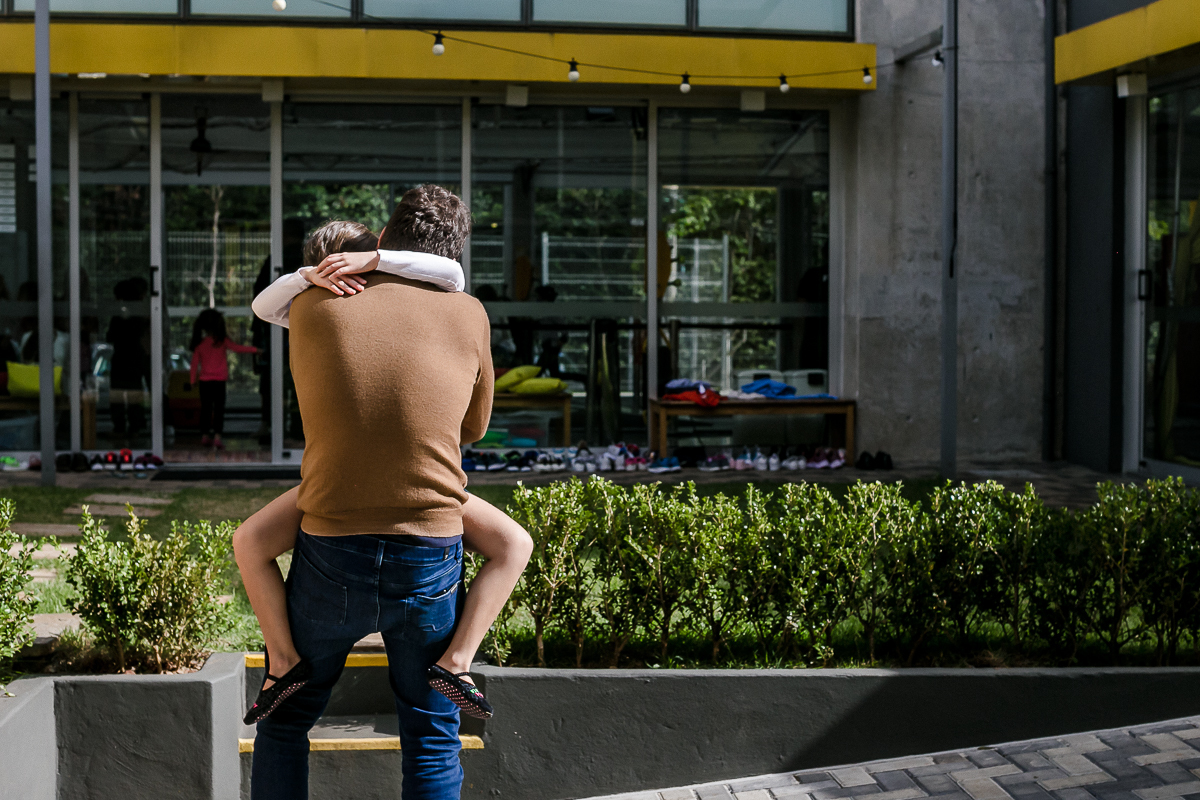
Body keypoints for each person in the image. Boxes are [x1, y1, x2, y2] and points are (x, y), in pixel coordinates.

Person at [245, 188, 511, 800]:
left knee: (286, 723)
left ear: (383, 242)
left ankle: (281, 664)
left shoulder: (310, 306)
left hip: (331, 543)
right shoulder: (470, 312)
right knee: (432, 730)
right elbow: (471, 429)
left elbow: (267, 304)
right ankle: (459, 664)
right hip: (431, 543)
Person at [188, 308, 258, 449]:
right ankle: (218, 437)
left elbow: (194, 364)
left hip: (204, 382)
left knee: (206, 409)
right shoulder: (222, 341)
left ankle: (205, 436)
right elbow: (238, 348)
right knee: (219, 409)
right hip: (219, 382)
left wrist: (192, 381)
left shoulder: (200, 344)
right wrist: (256, 350)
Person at [106, 277, 151, 438]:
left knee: (118, 394)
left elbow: (110, 336)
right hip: (134, 358)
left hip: (122, 358)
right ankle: (135, 424)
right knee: (134, 393)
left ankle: (120, 425)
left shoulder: (120, 316)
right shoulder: (139, 316)